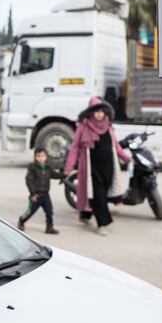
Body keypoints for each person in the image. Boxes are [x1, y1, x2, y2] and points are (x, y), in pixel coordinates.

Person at [64, 97, 130, 236]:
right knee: (98, 194)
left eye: (101, 111)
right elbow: (75, 147)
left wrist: (127, 158)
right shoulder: (84, 126)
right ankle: (102, 224)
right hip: (91, 168)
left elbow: (116, 146)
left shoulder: (108, 127)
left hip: (108, 167)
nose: (99, 114)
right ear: (90, 113)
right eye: (96, 111)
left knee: (100, 194)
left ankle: (85, 215)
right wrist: (69, 166)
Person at [18, 148, 63, 234]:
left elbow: (55, 175)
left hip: (46, 194)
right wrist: (33, 193)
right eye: (38, 156)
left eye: (43, 156)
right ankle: (22, 220)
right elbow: (29, 180)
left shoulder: (48, 167)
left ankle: (49, 227)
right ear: (35, 157)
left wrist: (63, 174)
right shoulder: (32, 167)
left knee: (49, 211)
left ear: (46, 157)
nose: (41, 158)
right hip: (36, 195)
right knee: (30, 212)